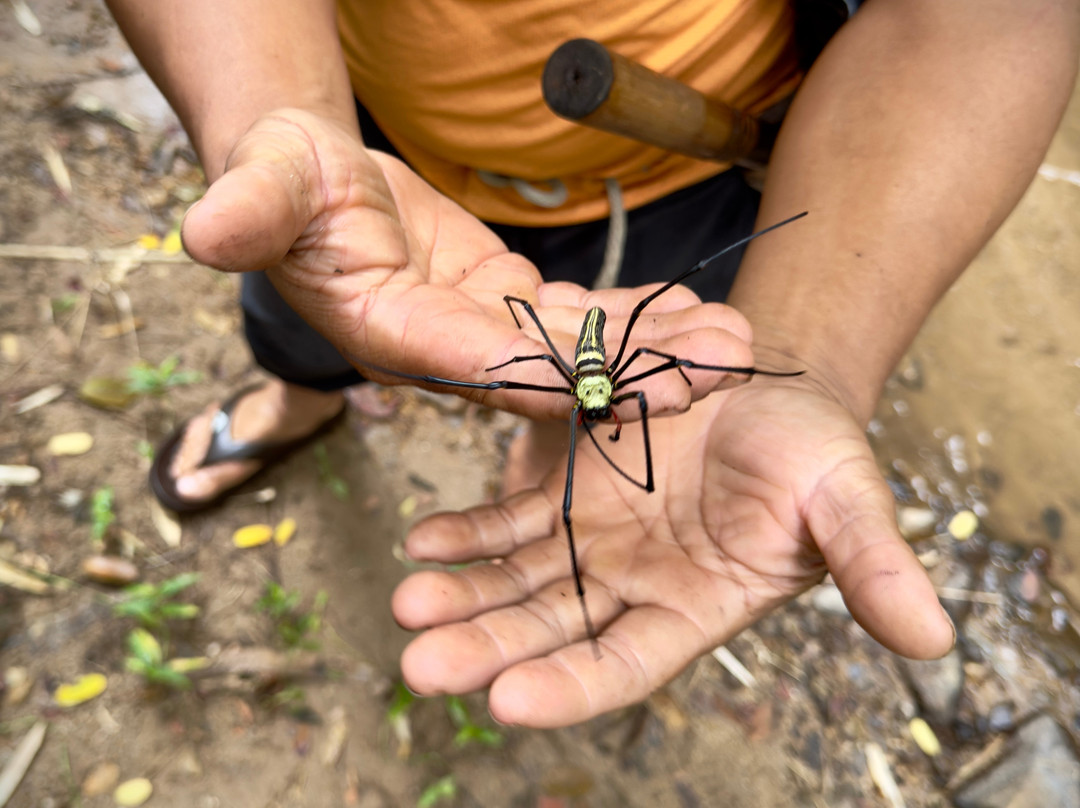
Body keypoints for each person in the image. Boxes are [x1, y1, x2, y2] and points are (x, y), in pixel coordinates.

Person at [104, 0, 1078, 728]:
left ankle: (547, 428)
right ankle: (301, 391)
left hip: (664, 208)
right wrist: (280, 108)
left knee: (617, 355)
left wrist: (801, 358)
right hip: (394, 158)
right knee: (341, 306)